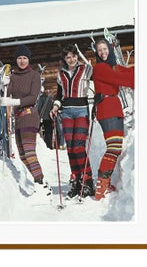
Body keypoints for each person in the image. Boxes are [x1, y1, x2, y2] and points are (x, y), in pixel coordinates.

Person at [0, 45, 51, 196]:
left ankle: (40, 181)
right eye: (19, 58)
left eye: (25, 58)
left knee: (29, 152)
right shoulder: (13, 77)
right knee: (22, 154)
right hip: (19, 119)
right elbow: (5, 95)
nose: (22, 61)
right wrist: (3, 84)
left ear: (29, 60)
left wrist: (14, 102)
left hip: (30, 116)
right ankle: (39, 181)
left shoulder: (34, 75)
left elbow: (33, 97)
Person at [92, 39, 134, 200]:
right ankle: (101, 187)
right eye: (99, 50)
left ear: (109, 49)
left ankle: (104, 183)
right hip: (106, 108)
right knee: (114, 147)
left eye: (105, 49)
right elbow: (120, 78)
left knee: (115, 147)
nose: (103, 52)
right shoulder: (100, 68)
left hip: (114, 108)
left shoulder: (111, 66)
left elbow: (124, 72)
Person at [50, 44, 94, 198]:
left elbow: (100, 80)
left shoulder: (86, 69)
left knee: (78, 147)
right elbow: (59, 95)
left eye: (74, 56)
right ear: (64, 59)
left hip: (82, 109)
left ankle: (87, 181)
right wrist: (56, 106)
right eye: (68, 57)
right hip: (66, 112)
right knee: (69, 148)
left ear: (77, 56)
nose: (72, 59)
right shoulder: (60, 74)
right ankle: (76, 180)